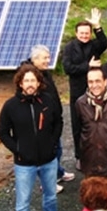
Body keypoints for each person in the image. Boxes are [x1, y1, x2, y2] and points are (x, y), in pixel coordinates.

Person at [0, 64, 69, 211]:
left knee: (51, 195)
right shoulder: (10, 106)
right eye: (26, 80)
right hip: (24, 164)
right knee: (23, 202)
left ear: (38, 82)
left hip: (48, 159)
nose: (30, 84)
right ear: (20, 83)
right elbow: (2, 132)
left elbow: (59, 121)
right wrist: (18, 150)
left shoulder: (47, 100)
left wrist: (52, 143)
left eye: (33, 80)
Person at [23, 44, 75, 190]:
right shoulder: (31, 77)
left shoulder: (43, 72)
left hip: (53, 120)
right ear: (35, 59)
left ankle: (58, 172)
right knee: (46, 153)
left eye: (48, 57)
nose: (48, 60)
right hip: (42, 123)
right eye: (45, 58)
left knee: (57, 149)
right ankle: (47, 183)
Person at [61, 8, 107, 164]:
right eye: (81, 33)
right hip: (77, 92)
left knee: (97, 124)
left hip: (95, 92)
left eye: (87, 33)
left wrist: (98, 26)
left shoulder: (94, 45)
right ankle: (80, 156)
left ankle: (98, 153)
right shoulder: (69, 48)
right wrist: (88, 66)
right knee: (78, 126)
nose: (84, 35)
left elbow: (104, 43)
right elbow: (68, 68)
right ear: (76, 33)